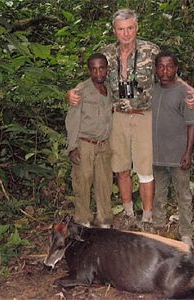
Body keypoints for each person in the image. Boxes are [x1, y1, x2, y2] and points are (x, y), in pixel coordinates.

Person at [67, 9, 194, 228]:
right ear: (114, 31)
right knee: (121, 167)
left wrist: (192, 90)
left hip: (143, 116)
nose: (126, 33)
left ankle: (147, 216)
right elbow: (94, 77)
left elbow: (169, 74)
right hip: (117, 117)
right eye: (121, 29)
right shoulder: (107, 53)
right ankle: (128, 213)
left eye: (130, 28)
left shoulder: (150, 50)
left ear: (136, 27)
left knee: (145, 168)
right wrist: (71, 92)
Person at [152, 50, 194, 246]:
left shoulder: (184, 93)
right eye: (161, 66)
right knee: (159, 193)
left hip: (178, 155)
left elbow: (191, 123)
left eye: (169, 66)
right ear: (155, 69)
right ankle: (159, 227)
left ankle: (186, 233)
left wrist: (188, 152)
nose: (165, 70)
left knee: (183, 194)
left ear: (176, 69)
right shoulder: (152, 90)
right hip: (156, 154)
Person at [65, 53, 113, 228]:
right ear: (89, 71)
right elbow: (72, 118)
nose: (98, 72)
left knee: (104, 184)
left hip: (104, 145)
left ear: (107, 69)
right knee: (82, 183)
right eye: (94, 69)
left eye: (101, 68)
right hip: (85, 144)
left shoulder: (110, 89)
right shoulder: (81, 90)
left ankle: (104, 222)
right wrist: (72, 147)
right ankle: (83, 222)